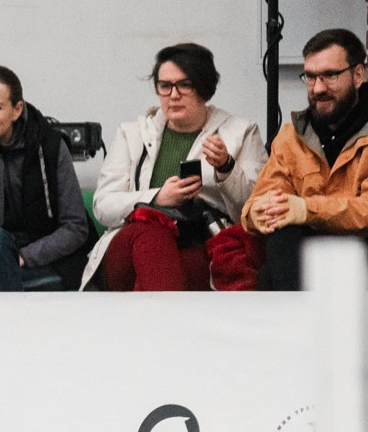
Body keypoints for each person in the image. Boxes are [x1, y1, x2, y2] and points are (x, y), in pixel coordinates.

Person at [225, 29, 368, 291]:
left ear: (358, 74)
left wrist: (306, 210)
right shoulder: (291, 137)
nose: (318, 88)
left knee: (281, 256)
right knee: (282, 237)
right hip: (299, 256)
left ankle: (287, 325)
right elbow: (260, 199)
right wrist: (258, 214)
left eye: (330, 75)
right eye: (310, 77)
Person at [86, 43, 265, 291]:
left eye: (185, 85)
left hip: (200, 243)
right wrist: (157, 197)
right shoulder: (132, 134)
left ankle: (154, 325)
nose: (173, 95)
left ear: (205, 89)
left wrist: (227, 169)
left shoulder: (240, 133)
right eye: (165, 86)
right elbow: (103, 206)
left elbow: (256, 211)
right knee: (151, 231)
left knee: (186, 265)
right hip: (131, 244)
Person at [0, 65, 91, 291]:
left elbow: (76, 227)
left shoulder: (50, 147)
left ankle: (7, 324)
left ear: (16, 110)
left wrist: (21, 257)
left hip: (47, 262)